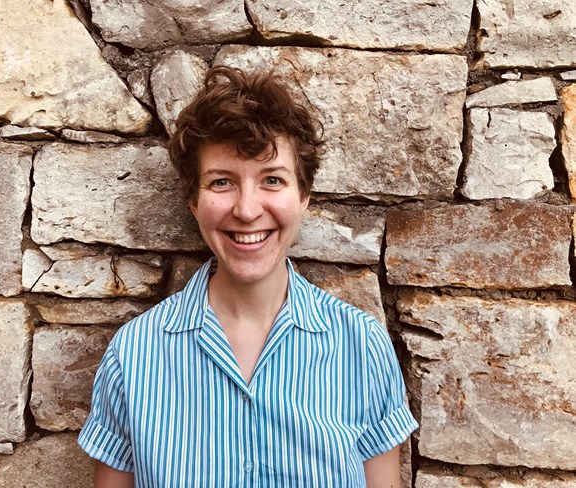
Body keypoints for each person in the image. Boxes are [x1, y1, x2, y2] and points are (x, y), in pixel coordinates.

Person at [78, 66, 418, 488]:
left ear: (304, 196)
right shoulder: (134, 356)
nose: (247, 209)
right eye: (222, 182)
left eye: (272, 180)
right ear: (193, 202)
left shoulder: (361, 346)